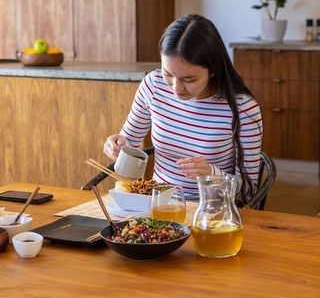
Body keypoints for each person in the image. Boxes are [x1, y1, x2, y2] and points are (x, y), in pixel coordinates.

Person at [104, 14, 263, 206]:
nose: (176, 88)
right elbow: (129, 142)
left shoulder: (243, 109)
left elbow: (248, 191)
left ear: (212, 70)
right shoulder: (153, 86)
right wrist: (117, 145)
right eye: (168, 74)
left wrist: (212, 174)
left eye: (189, 79)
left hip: (212, 212)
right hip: (159, 208)